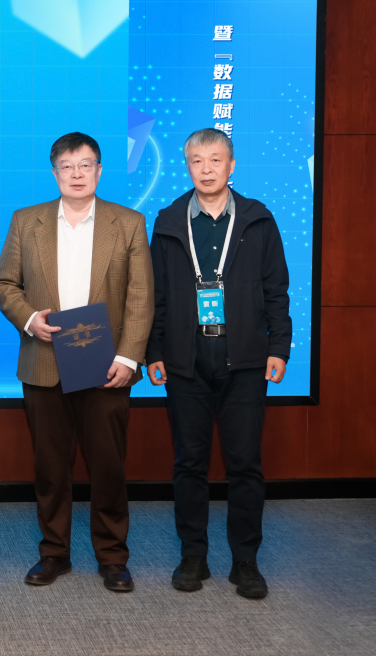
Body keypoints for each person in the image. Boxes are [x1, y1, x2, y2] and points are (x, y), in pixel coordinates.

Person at [0, 132, 152, 593]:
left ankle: (113, 557)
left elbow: (141, 296)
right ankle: (53, 553)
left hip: (107, 366)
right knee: (50, 468)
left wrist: (129, 357)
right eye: (67, 166)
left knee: (108, 467)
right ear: (55, 172)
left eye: (85, 165)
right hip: (45, 362)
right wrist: (29, 319)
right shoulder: (27, 221)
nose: (76, 174)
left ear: (99, 171)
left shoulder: (128, 222)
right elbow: (5, 284)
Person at [145, 128, 290, 600]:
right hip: (185, 363)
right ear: (186, 166)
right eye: (196, 161)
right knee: (189, 464)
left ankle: (246, 561)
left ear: (231, 165)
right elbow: (156, 295)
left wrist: (279, 348)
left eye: (215, 160)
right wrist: (154, 352)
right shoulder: (168, 222)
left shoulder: (258, 220)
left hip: (245, 362)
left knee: (245, 464)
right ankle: (193, 555)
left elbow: (276, 290)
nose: (206, 169)